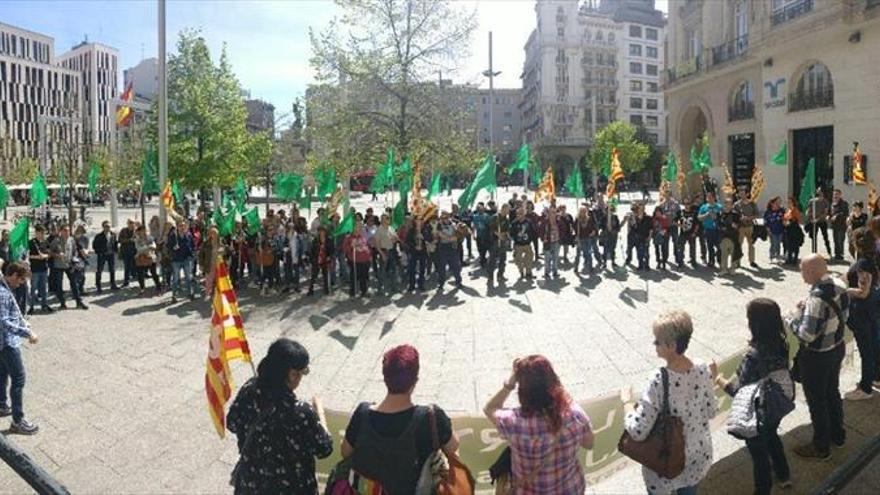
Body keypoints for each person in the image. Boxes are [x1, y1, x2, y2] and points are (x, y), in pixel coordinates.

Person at [341, 344, 460, 494]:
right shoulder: (431, 417)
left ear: (385, 378)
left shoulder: (362, 413)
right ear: (415, 380)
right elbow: (453, 447)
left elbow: (345, 452)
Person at [624, 310, 717, 495]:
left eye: (657, 340)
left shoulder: (658, 379)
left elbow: (638, 431)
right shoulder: (701, 368)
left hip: (665, 462)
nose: (654, 344)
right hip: (697, 456)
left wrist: (626, 403)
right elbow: (711, 411)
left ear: (672, 345)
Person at [227, 339, 333, 494]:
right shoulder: (301, 412)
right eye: (302, 372)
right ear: (292, 374)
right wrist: (320, 415)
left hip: (251, 484)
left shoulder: (249, 389)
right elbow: (324, 449)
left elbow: (232, 424)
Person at [483, 355, 594, 493]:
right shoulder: (575, 415)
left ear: (522, 391)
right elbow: (589, 444)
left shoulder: (512, 422)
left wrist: (510, 382)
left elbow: (489, 408)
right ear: (553, 382)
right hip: (570, 489)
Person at [714, 298, 793, 494]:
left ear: (754, 324)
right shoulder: (781, 343)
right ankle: (784, 475)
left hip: (759, 410)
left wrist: (718, 379)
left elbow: (738, 391)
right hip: (778, 402)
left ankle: (763, 490)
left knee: (759, 456)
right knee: (773, 437)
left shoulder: (752, 355)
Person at [785, 254, 848, 460]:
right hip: (837, 348)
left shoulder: (816, 299)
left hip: (817, 358)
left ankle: (821, 447)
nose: (801, 274)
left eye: (803, 270)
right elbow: (843, 314)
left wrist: (792, 319)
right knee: (832, 392)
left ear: (812, 272)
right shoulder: (839, 283)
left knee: (817, 401)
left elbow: (806, 334)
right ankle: (838, 435)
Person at [0, 261, 40, 434]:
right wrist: (27, 333)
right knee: (18, 379)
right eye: (21, 280)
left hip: (3, 342)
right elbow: (3, 322)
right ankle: (18, 421)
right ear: (14, 276)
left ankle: (1, 405)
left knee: (2, 373)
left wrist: (22, 322)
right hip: (7, 342)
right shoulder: (2, 292)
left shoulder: (5, 286)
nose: (21, 283)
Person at [842, 228, 879, 401]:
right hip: (871, 308)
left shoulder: (864, 263)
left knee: (866, 350)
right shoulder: (871, 259)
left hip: (862, 311)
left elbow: (862, 292)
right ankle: (874, 378)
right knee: (872, 347)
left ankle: (865, 388)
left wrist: (844, 290)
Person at [49, 225, 87, 310]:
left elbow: (75, 251)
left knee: (74, 283)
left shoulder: (71, 239)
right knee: (59, 285)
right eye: (65, 230)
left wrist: (74, 258)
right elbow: (50, 252)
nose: (67, 232)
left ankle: (79, 302)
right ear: (61, 231)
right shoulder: (56, 240)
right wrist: (58, 255)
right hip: (58, 266)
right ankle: (62, 303)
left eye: (68, 231)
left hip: (69, 265)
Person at [167, 220, 196, 303]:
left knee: (188, 277)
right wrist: (173, 248)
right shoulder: (173, 236)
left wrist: (192, 253)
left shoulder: (189, 235)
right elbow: (168, 246)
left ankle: (190, 293)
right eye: (180, 226)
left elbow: (192, 245)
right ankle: (174, 295)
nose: (182, 227)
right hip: (176, 260)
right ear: (177, 227)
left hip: (186, 259)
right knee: (176, 278)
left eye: (184, 226)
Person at [27, 225, 52, 315]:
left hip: (44, 268)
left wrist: (44, 256)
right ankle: (32, 307)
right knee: (33, 289)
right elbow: (26, 255)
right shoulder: (31, 242)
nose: (42, 235)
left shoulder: (45, 242)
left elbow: (49, 254)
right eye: (41, 233)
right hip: (34, 269)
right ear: (36, 232)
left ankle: (44, 305)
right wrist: (37, 257)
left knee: (44, 288)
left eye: (43, 233)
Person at [371, 214, 399, 296]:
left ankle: (394, 287)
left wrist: (395, 238)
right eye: (384, 219)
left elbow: (396, 238)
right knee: (382, 271)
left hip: (391, 251)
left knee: (393, 270)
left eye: (387, 218)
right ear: (381, 220)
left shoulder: (391, 228)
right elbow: (376, 244)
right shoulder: (379, 230)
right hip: (384, 251)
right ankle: (380, 289)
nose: (386, 220)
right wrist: (382, 254)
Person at [343, 221, 372, 297]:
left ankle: (364, 291)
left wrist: (369, 255)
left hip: (365, 261)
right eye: (358, 226)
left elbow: (366, 247)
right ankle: (352, 293)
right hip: (355, 261)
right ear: (353, 228)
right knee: (354, 277)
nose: (359, 228)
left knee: (363, 277)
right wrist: (352, 246)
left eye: (360, 227)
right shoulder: (349, 238)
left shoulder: (362, 237)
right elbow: (345, 249)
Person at [435, 212, 463, 290]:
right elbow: (440, 234)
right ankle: (441, 283)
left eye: (446, 217)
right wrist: (450, 238)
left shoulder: (453, 224)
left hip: (452, 247)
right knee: (442, 267)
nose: (445, 219)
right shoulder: (439, 225)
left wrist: (459, 233)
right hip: (443, 247)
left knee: (456, 266)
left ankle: (458, 282)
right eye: (443, 217)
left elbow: (458, 233)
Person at [404, 217, 431, 292]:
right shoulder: (411, 231)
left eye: (421, 220)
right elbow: (407, 241)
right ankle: (412, 285)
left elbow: (429, 239)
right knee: (412, 269)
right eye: (417, 220)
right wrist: (414, 245)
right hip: (413, 252)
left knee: (422, 269)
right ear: (414, 221)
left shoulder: (425, 230)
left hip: (423, 252)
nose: (419, 222)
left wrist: (424, 239)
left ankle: (421, 284)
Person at [734, 187, 759, 268]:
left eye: (743, 193)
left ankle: (752, 261)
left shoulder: (752, 203)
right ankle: (737, 262)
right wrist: (739, 218)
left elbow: (757, 215)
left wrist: (748, 218)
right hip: (740, 227)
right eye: (740, 193)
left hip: (750, 227)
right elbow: (733, 215)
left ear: (747, 194)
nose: (741, 195)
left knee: (751, 245)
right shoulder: (736, 204)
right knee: (739, 245)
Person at [92, 221, 119, 294]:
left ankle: (113, 284)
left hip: (111, 254)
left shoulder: (113, 234)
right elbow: (94, 246)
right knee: (99, 270)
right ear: (103, 227)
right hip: (102, 255)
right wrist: (99, 252)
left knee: (112, 269)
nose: (108, 228)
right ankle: (98, 286)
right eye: (106, 226)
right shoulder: (99, 236)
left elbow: (115, 243)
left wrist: (115, 251)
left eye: (109, 226)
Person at [134, 225, 161, 296]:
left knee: (154, 273)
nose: (142, 232)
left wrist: (144, 248)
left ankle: (158, 287)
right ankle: (142, 288)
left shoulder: (150, 238)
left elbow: (154, 246)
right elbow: (138, 249)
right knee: (140, 274)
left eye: (143, 230)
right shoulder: (137, 239)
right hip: (141, 258)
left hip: (150, 258)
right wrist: (148, 247)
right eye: (140, 231)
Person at [487, 204, 511, 284]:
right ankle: (490, 277)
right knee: (492, 260)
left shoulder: (506, 219)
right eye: (507, 209)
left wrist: (506, 236)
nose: (508, 211)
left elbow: (507, 229)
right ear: (503, 208)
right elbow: (491, 228)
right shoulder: (495, 217)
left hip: (503, 241)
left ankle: (500, 275)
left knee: (503, 259)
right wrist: (498, 235)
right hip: (494, 241)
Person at [698, 191, 723, 269]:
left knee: (720, 247)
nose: (709, 199)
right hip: (708, 230)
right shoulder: (703, 207)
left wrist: (716, 216)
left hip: (717, 230)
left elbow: (723, 217)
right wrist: (707, 214)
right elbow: (699, 218)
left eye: (710, 197)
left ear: (714, 198)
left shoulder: (719, 207)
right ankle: (711, 261)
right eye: (707, 197)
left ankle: (720, 260)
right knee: (710, 246)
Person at [718, 197, 742, 276]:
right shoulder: (721, 214)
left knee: (734, 253)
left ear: (732, 205)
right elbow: (718, 224)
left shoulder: (736, 214)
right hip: (724, 236)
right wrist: (722, 227)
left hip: (733, 236)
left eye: (730, 204)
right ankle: (724, 269)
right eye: (726, 204)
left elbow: (739, 224)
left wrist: (736, 225)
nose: (728, 205)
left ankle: (732, 269)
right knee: (724, 254)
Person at [511, 206, 536, 280]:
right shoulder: (514, 223)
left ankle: (528, 273)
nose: (518, 215)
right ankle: (521, 272)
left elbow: (533, 231)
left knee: (530, 258)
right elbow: (511, 233)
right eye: (517, 214)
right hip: (518, 244)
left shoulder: (528, 222)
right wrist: (515, 239)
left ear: (523, 214)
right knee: (518, 260)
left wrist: (531, 239)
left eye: (520, 214)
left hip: (527, 244)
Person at [307, 227, 334, 296]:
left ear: (325, 232)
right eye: (320, 231)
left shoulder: (329, 240)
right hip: (316, 259)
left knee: (325, 275)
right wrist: (312, 259)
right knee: (314, 275)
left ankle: (326, 289)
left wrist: (330, 257)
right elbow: (312, 251)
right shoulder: (315, 240)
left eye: (323, 231)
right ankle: (310, 289)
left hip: (325, 260)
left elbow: (332, 250)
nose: (322, 233)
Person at [805, 188, 832, 256]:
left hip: (822, 221)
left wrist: (818, 219)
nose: (819, 194)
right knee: (814, 237)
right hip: (813, 221)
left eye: (821, 193)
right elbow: (808, 210)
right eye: (818, 192)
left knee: (825, 237)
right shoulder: (812, 201)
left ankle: (829, 252)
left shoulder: (826, 202)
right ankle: (814, 252)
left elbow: (825, 213)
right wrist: (809, 216)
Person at [659, 194, 682, 267]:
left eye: (668, 193)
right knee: (665, 242)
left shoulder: (675, 203)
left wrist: (676, 221)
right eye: (665, 194)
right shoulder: (661, 204)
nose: (666, 195)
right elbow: (659, 214)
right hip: (665, 227)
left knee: (676, 242)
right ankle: (665, 258)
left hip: (673, 226)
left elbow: (679, 214)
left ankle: (678, 258)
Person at [574, 206, 598, 275]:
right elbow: (575, 228)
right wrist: (576, 235)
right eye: (581, 211)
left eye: (584, 211)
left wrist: (593, 232)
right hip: (580, 238)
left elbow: (593, 227)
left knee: (588, 253)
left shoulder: (589, 219)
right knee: (578, 255)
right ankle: (576, 268)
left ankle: (590, 268)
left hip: (587, 238)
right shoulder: (577, 220)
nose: (583, 213)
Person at [540, 205, 562, 279]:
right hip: (548, 242)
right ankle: (547, 272)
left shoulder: (558, 221)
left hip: (556, 242)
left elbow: (563, 229)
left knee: (555, 258)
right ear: (548, 213)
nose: (552, 214)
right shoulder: (545, 221)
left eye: (554, 212)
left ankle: (555, 272)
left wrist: (560, 237)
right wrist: (543, 239)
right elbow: (540, 231)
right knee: (547, 259)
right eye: (551, 212)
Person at [783, 197, 805, 266]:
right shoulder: (787, 210)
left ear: (793, 202)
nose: (788, 203)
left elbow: (799, 220)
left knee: (795, 245)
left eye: (790, 202)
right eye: (788, 202)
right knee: (788, 245)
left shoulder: (795, 210)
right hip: (788, 230)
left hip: (794, 230)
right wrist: (785, 222)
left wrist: (792, 221)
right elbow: (784, 218)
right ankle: (789, 259)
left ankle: (794, 259)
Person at [829, 189, 849, 261]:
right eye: (834, 194)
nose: (835, 196)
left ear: (840, 195)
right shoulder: (832, 203)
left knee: (840, 240)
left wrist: (836, 216)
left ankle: (840, 255)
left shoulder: (844, 203)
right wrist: (828, 216)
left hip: (841, 225)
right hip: (834, 225)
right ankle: (837, 254)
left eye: (837, 194)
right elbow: (830, 212)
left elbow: (845, 213)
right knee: (835, 240)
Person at [763, 197, 785, 262]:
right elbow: (765, 221)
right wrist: (768, 229)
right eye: (777, 203)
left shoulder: (781, 210)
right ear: (772, 203)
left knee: (778, 243)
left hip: (780, 230)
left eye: (779, 202)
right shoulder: (768, 212)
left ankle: (777, 256)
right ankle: (772, 256)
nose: (778, 204)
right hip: (772, 230)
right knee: (773, 243)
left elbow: (786, 217)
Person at [118, 219, 137, 287]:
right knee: (127, 267)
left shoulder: (136, 231)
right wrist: (129, 240)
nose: (131, 224)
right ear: (127, 224)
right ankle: (126, 281)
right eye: (130, 223)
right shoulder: (123, 230)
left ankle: (136, 278)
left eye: (133, 223)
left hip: (135, 252)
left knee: (135, 266)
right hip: (125, 252)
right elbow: (119, 240)